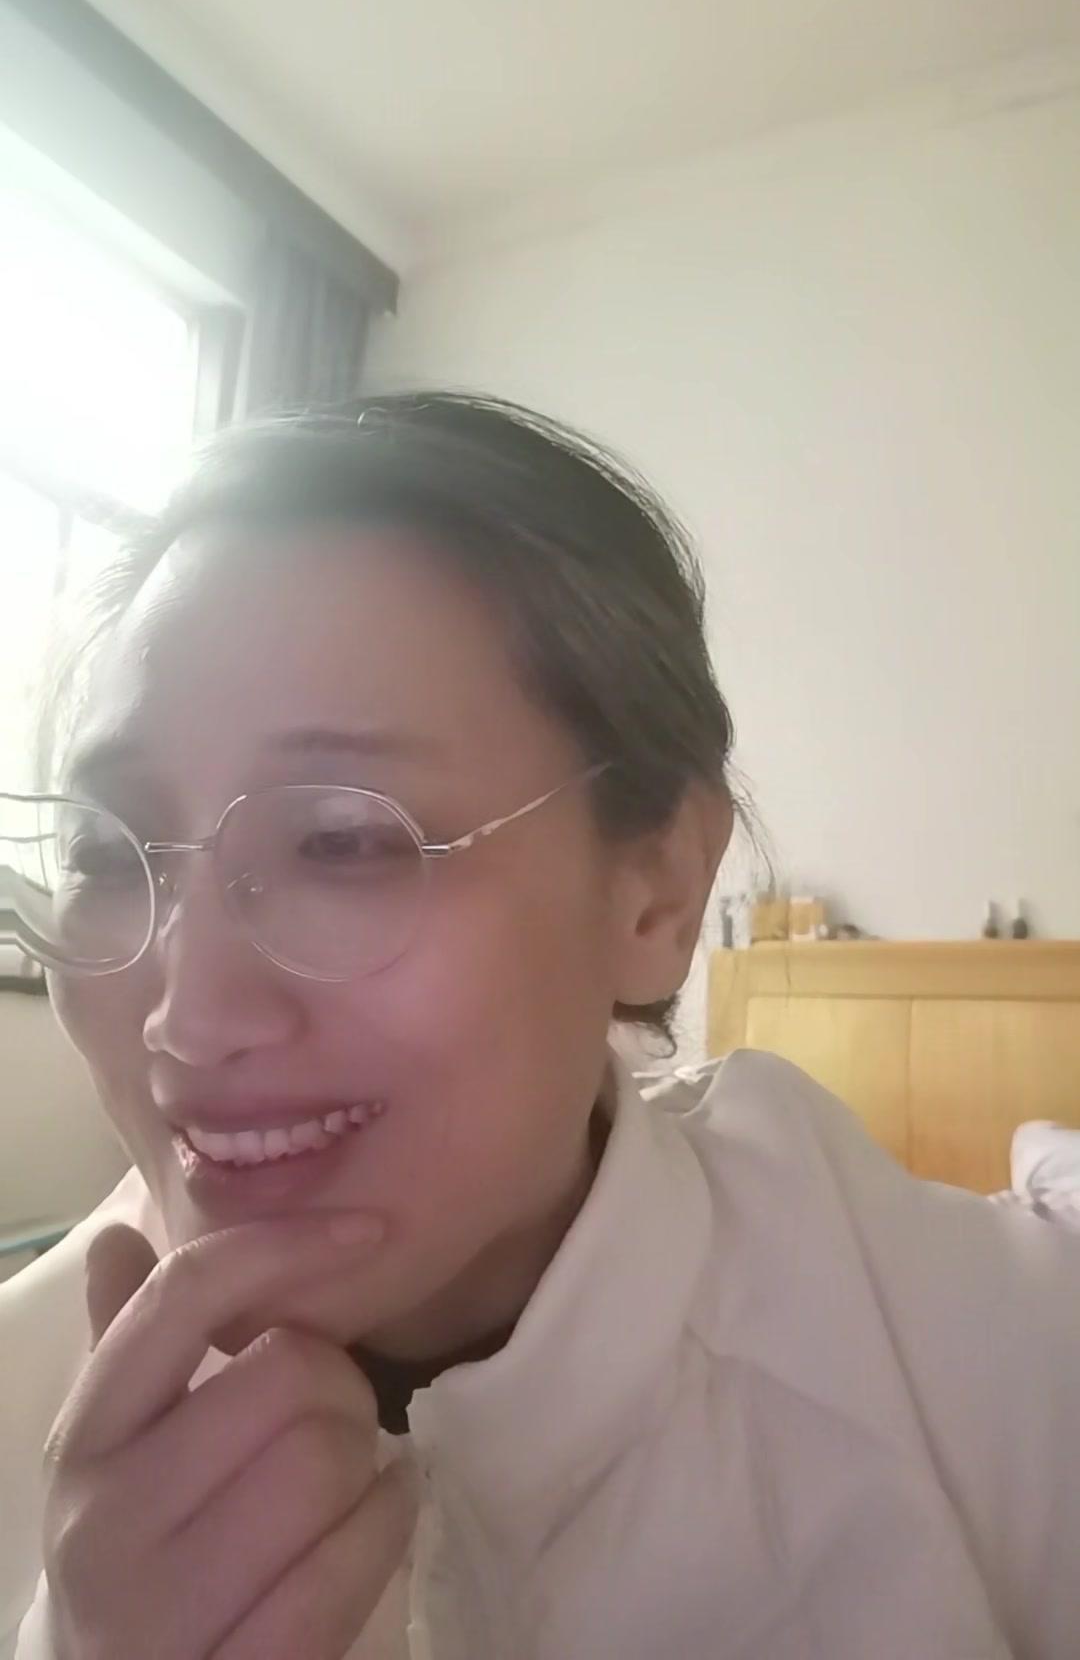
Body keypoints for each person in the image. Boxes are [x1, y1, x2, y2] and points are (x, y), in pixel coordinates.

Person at [1, 391, 1078, 1660]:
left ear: (656, 890)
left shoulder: (996, 1374)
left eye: (343, 842)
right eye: (104, 853)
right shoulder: (24, 1378)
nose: (185, 1022)